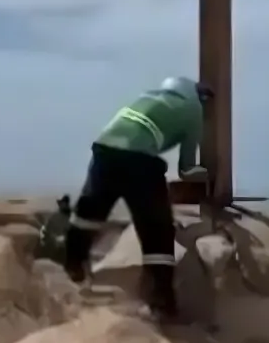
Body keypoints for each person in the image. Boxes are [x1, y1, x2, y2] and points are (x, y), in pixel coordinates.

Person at [62, 76, 211, 323]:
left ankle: (72, 271)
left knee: (87, 216)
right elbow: (187, 167)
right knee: (157, 233)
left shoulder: (145, 98)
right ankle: (162, 303)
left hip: (104, 153)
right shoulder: (192, 110)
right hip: (140, 163)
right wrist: (206, 173)